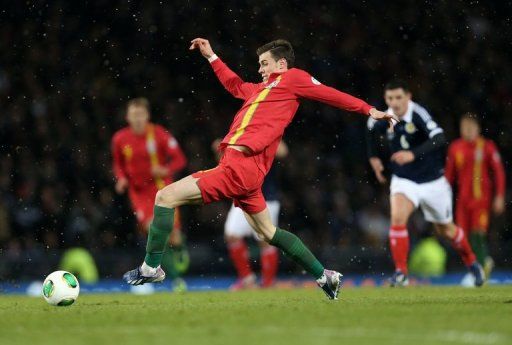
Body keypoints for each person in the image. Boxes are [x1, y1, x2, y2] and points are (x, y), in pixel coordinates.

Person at [123, 38, 396, 300]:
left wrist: (368, 109)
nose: (260, 69)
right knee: (269, 233)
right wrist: (211, 56)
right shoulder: (259, 91)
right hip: (248, 173)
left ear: (280, 65)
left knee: (164, 197)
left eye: (264, 63)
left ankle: (151, 268)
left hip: (238, 168)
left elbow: (328, 94)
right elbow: (234, 84)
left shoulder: (293, 79)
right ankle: (325, 276)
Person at [367, 80, 485, 287]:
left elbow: (439, 137)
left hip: (432, 181)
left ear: (408, 97)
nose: (394, 103)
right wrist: (373, 158)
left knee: (446, 229)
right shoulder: (384, 117)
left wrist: (413, 154)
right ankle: (401, 273)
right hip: (404, 179)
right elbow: (369, 130)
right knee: (397, 217)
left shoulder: (419, 114)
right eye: (390, 98)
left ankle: (472, 262)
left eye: (398, 98)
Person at [112, 98, 189, 290]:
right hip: (139, 193)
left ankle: (179, 249)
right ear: (127, 117)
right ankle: (174, 277)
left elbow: (180, 159)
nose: (137, 119)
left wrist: (166, 169)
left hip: (161, 189)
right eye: (134, 115)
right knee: (152, 228)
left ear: (147, 116)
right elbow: (118, 164)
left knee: (173, 236)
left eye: (141, 114)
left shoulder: (159, 135)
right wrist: (121, 178)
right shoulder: (119, 139)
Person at [219, 139, 288, 290]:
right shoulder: (240, 133)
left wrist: (264, 143)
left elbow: (283, 151)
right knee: (232, 235)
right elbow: (224, 163)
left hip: (267, 196)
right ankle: (247, 280)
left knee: (266, 239)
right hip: (243, 194)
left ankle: (268, 283)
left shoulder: (268, 133)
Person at [445, 113, 506, 278]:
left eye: (471, 127)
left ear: (478, 129)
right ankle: (477, 267)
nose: (468, 130)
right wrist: (442, 198)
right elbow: (448, 177)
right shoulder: (455, 148)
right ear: (461, 129)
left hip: (481, 199)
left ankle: (481, 266)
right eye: (465, 127)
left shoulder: (487, 147)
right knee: (461, 237)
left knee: (477, 233)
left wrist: (499, 196)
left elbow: (499, 172)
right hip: (462, 201)